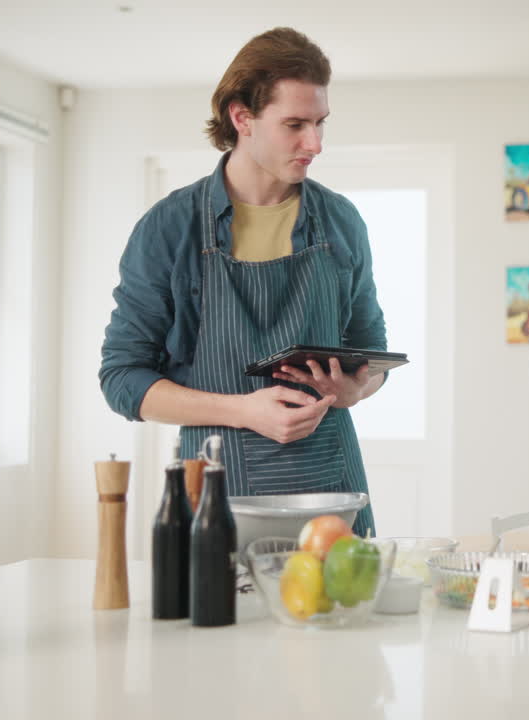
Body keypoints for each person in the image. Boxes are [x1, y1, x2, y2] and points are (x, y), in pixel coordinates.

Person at [99, 27, 387, 535]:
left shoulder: (342, 222)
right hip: (216, 497)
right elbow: (122, 380)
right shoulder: (171, 228)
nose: (315, 143)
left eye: (320, 123)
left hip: (332, 499)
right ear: (242, 117)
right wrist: (243, 412)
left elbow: (374, 354)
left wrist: (354, 391)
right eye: (295, 124)